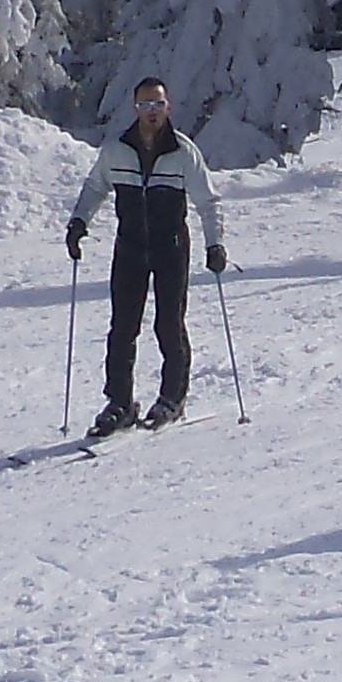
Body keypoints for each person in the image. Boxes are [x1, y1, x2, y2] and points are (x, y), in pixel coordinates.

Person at [69, 78, 226, 436]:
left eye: (157, 104)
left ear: (168, 107)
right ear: (134, 109)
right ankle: (120, 403)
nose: (151, 112)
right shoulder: (117, 150)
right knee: (123, 326)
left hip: (170, 247)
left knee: (169, 324)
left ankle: (173, 397)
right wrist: (78, 222)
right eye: (145, 105)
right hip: (130, 248)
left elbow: (208, 201)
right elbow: (95, 186)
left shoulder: (184, 152)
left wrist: (214, 245)